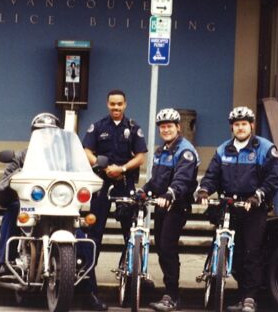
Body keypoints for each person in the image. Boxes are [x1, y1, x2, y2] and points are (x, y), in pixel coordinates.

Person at [196, 106, 278, 312]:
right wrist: (204, 190)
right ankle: (242, 295)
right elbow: (212, 176)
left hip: (254, 207)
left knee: (252, 253)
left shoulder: (265, 148)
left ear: (251, 125)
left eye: (244, 124)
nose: (240, 128)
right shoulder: (223, 149)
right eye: (236, 124)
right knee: (235, 255)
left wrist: (258, 195)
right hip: (229, 207)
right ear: (232, 128)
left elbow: (273, 178)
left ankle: (250, 298)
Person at [81, 89, 148, 311]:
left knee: (130, 235)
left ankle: (131, 286)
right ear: (107, 104)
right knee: (94, 236)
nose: (116, 108)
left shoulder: (134, 128)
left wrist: (122, 168)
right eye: (112, 104)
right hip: (101, 184)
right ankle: (89, 290)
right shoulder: (98, 126)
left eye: (120, 104)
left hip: (125, 184)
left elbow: (140, 156)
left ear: (125, 104)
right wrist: (102, 166)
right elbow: (87, 150)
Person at [136, 108, 199, 312]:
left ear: (178, 128)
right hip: (162, 204)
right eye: (162, 127)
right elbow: (156, 181)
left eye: (169, 126)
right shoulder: (161, 151)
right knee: (162, 248)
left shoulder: (185, 150)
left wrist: (171, 193)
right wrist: (143, 191)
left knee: (167, 246)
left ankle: (172, 295)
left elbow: (183, 178)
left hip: (178, 205)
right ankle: (169, 291)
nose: (165, 130)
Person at [0, 112, 60, 278]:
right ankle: (5, 262)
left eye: (49, 132)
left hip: (56, 206)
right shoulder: (21, 156)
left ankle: (84, 275)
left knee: (80, 231)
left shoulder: (63, 159)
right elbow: (3, 183)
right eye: (40, 132)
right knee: (12, 211)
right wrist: (17, 175)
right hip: (28, 204)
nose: (45, 136)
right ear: (33, 134)